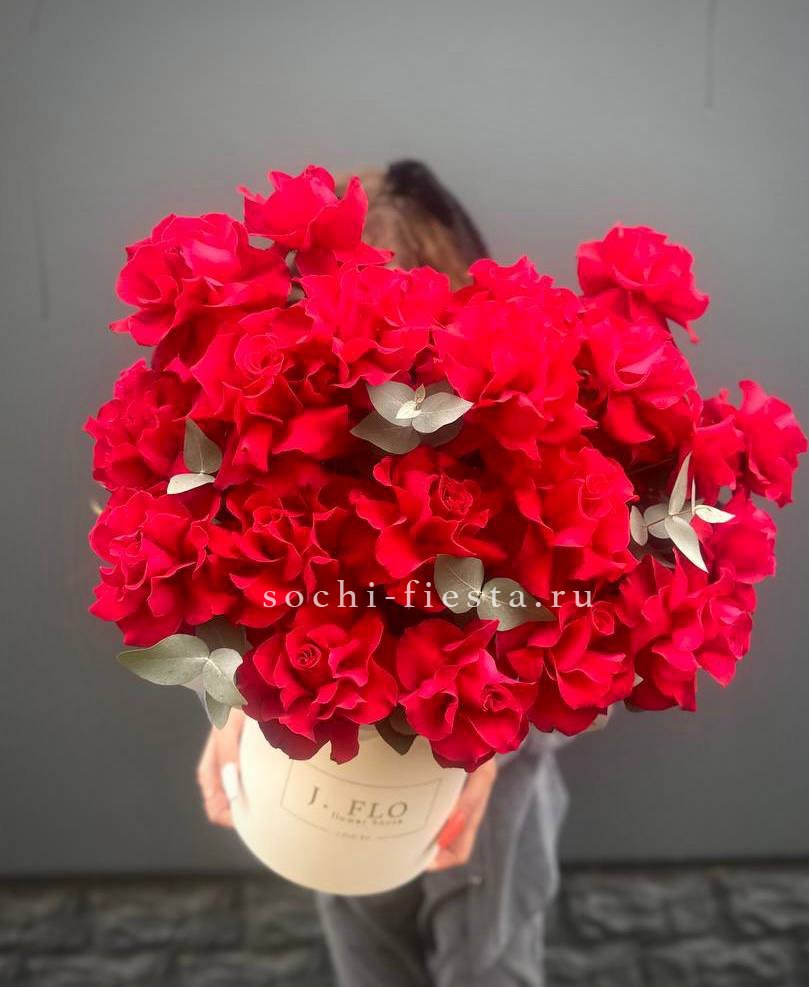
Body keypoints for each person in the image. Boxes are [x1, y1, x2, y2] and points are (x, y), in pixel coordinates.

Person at [196, 160, 573, 987]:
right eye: (367, 290)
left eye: (420, 294)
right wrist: (229, 702)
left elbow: (580, 646)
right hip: (333, 779)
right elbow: (242, 601)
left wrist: (489, 748)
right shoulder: (297, 451)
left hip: (491, 802)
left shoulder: (514, 453)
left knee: (489, 972)